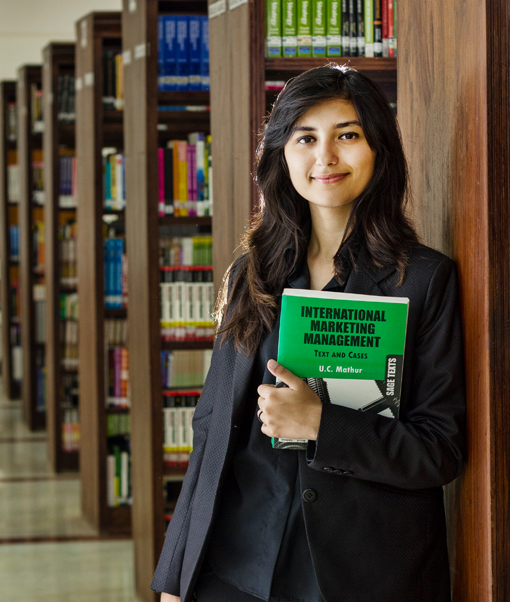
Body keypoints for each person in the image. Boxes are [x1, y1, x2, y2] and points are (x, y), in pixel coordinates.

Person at [152, 65, 466, 602]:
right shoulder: (251, 274)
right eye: (306, 137)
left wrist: (323, 423)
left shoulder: (422, 280)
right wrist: (175, 575)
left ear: (378, 150)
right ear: (282, 153)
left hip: (360, 574)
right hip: (234, 567)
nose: (325, 156)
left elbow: (440, 449)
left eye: (347, 135)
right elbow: (210, 432)